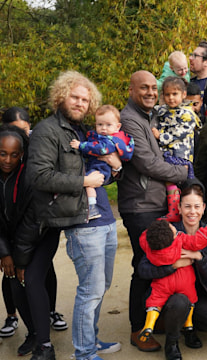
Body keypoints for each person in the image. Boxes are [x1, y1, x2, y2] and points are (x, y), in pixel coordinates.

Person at [28, 70, 122, 360]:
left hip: (105, 218)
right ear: (61, 96)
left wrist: (114, 167)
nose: (81, 103)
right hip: (81, 223)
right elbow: (39, 177)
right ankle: (84, 353)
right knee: (90, 290)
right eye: (75, 97)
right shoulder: (47, 131)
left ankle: (90, 341)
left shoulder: (86, 132)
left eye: (85, 99)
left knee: (101, 286)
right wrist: (84, 182)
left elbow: (101, 174)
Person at [118, 70, 189, 352]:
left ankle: (152, 318)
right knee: (144, 266)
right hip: (140, 206)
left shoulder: (147, 118)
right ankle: (138, 328)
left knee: (156, 263)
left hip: (153, 203)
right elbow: (147, 163)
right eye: (143, 88)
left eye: (153, 88)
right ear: (132, 89)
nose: (150, 92)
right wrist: (183, 172)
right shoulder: (129, 120)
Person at [137, 180, 207, 359]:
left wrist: (198, 256)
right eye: (187, 206)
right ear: (180, 208)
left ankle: (183, 324)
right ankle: (172, 342)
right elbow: (143, 269)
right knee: (180, 301)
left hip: (198, 294)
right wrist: (172, 266)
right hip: (168, 294)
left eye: (197, 206)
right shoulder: (167, 231)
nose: (192, 211)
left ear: (204, 207)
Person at [0, 108, 68, 340]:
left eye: (14, 154)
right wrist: (4, 252)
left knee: (32, 277)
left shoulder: (30, 175)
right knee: (15, 284)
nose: (8, 160)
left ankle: (43, 334)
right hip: (12, 238)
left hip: (39, 233)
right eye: (2, 153)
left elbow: (31, 222)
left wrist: (19, 259)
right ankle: (32, 331)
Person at [137, 218, 207, 343]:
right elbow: (197, 242)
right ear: (172, 237)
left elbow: (143, 237)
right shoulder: (179, 240)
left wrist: (153, 229)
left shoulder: (151, 247)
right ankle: (188, 325)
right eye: (171, 228)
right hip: (183, 279)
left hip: (162, 282)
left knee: (155, 301)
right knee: (190, 299)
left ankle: (149, 325)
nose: (173, 226)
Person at [70, 105, 134, 220]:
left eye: (108, 125)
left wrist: (81, 145)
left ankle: (92, 207)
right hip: (99, 167)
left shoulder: (110, 140)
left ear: (117, 127)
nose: (103, 128)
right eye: (100, 124)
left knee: (88, 183)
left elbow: (98, 148)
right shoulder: (104, 137)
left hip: (101, 169)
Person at [152, 77, 201, 221]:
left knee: (171, 180)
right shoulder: (164, 110)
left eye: (174, 94)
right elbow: (155, 110)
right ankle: (176, 208)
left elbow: (181, 132)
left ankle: (175, 211)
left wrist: (161, 136)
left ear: (183, 95)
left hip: (180, 154)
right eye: (167, 95)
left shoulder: (187, 113)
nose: (171, 98)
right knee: (169, 182)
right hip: (167, 153)